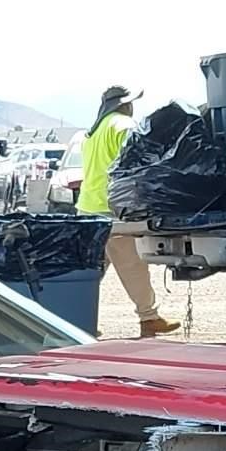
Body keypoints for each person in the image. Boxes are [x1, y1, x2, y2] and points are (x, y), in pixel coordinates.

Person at [78, 86, 177, 337]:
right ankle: (149, 318)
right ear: (125, 104)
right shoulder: (123, 126)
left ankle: (73, 319)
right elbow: (136, 163)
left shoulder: (93, 131)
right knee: (133, 266)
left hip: (88, 208)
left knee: (88, 273)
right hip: (113, 210)